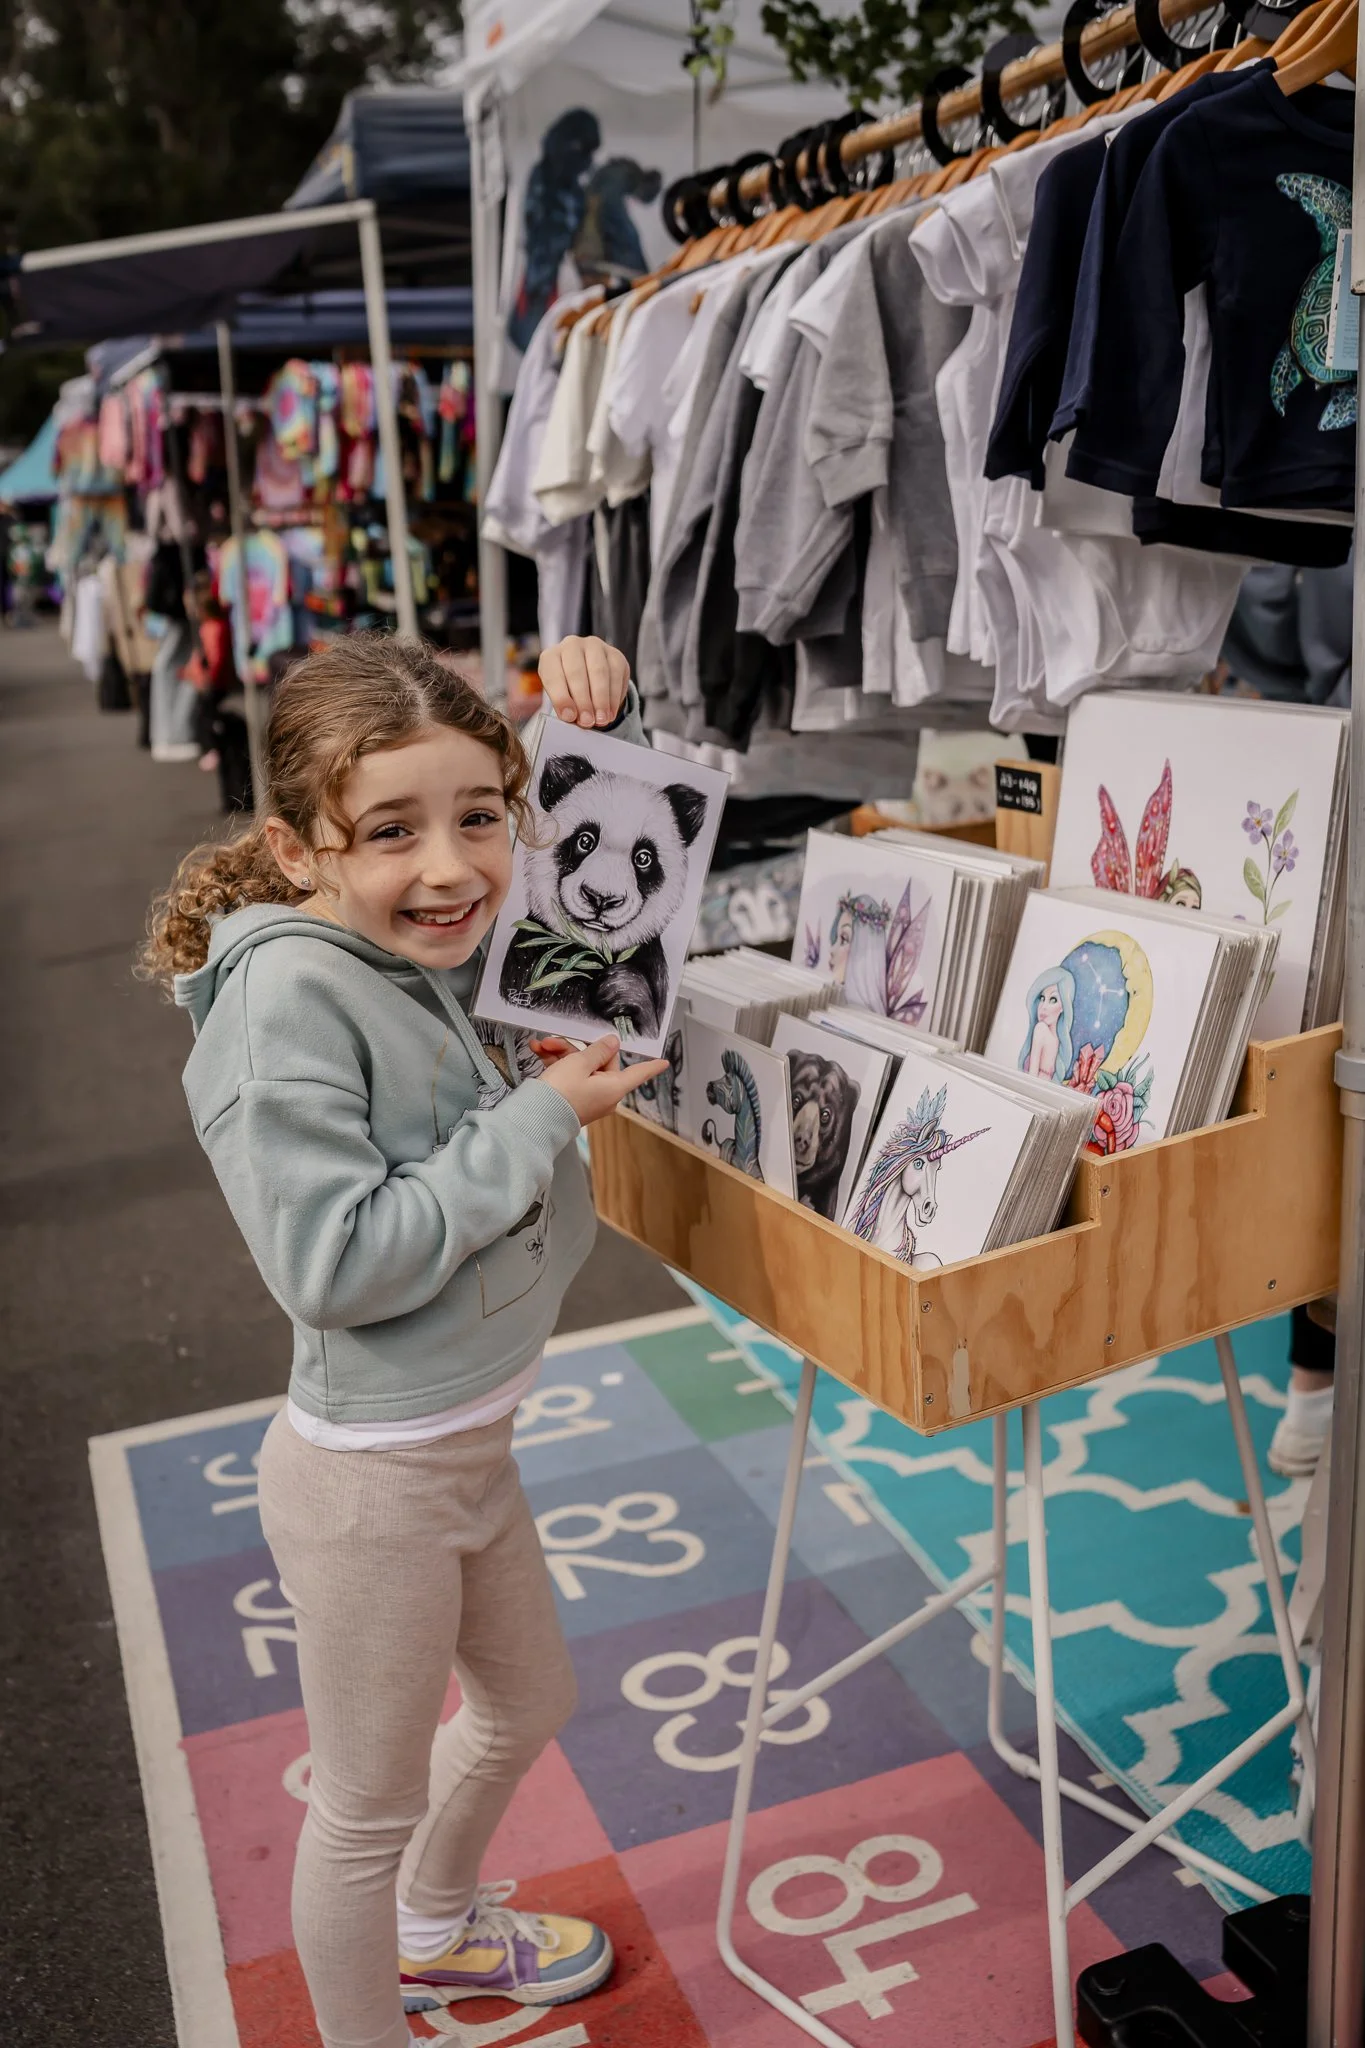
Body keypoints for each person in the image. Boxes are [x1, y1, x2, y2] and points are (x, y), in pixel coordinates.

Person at [141, 633, 666, 2048]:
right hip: (375, 1481)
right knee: (359, 1815)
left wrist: (580, 698)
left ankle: (435, 1933)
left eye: (481, 816)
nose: (454, 869)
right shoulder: (289, 1000)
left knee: (530, 1698)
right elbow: (333, 1261)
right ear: (299, 848)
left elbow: (590, 855)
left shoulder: (425, 936)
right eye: (392, 832)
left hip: (465, 1442)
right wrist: (542, 1118)